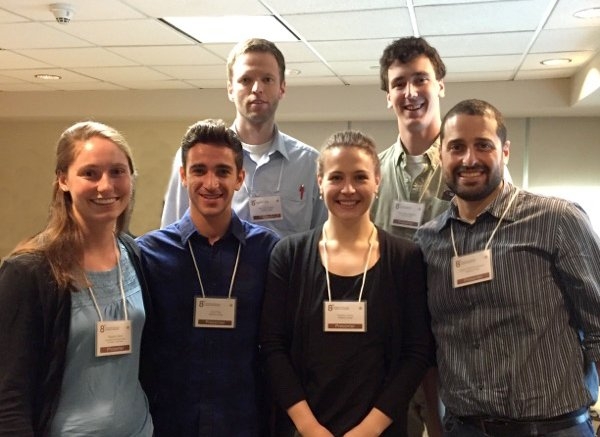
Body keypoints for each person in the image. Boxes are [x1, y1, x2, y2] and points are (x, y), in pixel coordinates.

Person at [414, 98, 600, 437]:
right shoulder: (427, 242)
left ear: (505, 152)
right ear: (441, 156)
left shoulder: (556, 220)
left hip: (552, 429)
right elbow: (427, 346)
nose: (469, 159)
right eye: (456, 147)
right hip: (465, 429)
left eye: (483, 145)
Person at [260, 130, 434, 436]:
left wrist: (368, 430)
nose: (348, 189)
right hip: (304, 430)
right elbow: (273, 347)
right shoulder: (288, 255)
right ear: (319, 182)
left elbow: (416, 352)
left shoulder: (406, 259)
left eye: (360, 177)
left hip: (381, 430)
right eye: (336, 177)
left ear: (377, 182)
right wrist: (310, 428)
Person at [0, 121, 153, 436]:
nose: (106, 186)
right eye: (90, 173)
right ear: (63, 179)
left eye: (117, 172)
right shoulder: (28, 272)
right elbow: (9, 396)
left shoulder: (133, 253)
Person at [137, 119, 279, 436]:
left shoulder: (268, 252)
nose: (211, 183)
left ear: (240, 178)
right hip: (168, 421)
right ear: (184, 176)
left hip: (244, 420)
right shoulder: (149, 254)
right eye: (199, 170)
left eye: (223, 172)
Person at [160, 38, 326, 236]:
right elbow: (173, 235)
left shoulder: (309, 163)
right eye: (246, 80)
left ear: (282, 87)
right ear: (230, 88)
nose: (257, 89)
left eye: (267, 79)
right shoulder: (195, 158)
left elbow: (323, 242)